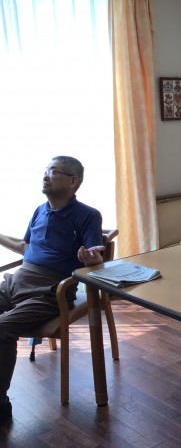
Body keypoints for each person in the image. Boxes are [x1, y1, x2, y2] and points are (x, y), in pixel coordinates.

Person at [0, 156, 105, 423]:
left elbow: (96, 258)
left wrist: (91, 259)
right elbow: (26, 248)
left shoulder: (88, 215)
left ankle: (1, 404)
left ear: (72, 181)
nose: (46, 175)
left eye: (53, 171)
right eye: (45, 170)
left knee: (2, 328)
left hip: (50, 291)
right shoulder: (39, 210)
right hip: (15, 282)